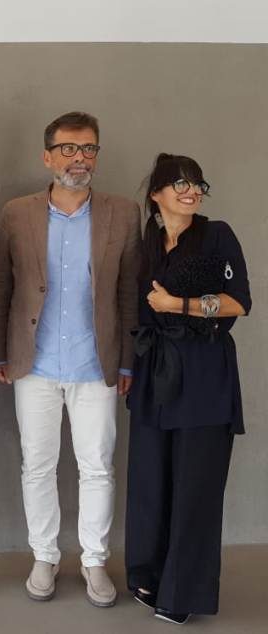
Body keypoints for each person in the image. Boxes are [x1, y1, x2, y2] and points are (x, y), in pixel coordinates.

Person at [0, 111, 141, 607]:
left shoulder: (123, 213)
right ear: (47, 156)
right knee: (38, 465)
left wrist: (128, 361)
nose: (79, 158)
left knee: (98, 467)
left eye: (89, 148)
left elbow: (130, 292)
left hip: (97, 363)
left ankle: (94, 560)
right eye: (68, 148)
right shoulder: (17, 213)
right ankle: (45, 556)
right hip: (34, 363)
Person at [124, 153, 250, 625]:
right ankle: (148, 574)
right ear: (156, 193)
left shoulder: (217, 236)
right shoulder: (148, 244)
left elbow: (240, 302)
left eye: (197, 183)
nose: (192, 191)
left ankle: (183, 593)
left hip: (203, 373)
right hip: (155, 371)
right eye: (180, 183)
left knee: (195, 486)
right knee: (150, 479)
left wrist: (179, 304)